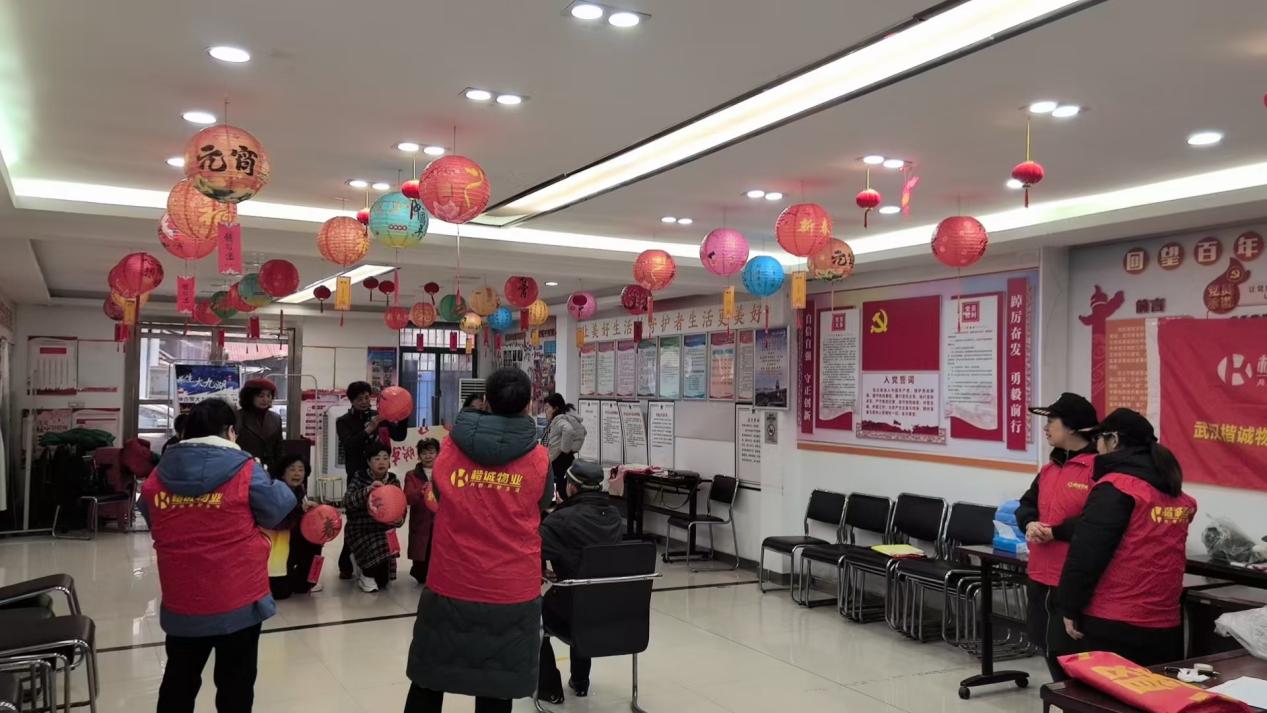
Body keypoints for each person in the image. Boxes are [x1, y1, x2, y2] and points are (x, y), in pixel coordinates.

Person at [404, 368, 553, 713]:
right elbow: (543, 503)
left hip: (451, 579)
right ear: (528, 405)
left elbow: (439, 493)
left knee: (429, 678)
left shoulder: (450, 449)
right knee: (496, 688)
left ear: (485, 401)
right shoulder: (539, 458)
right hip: (511, 587)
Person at [140, 398, 296, 713]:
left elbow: (151, 515)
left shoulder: (159, 474)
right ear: (229, 431)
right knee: (235, 686)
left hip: (183, 599)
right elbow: (277, 508)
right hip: (238, 599)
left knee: (179, 682)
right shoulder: (245, 468)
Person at [1050, 408, 1198, 678]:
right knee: (1151, 695)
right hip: (1164, 624)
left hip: (1113, 621)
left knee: (1100, 696)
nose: (1096, 447)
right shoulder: (1176, 494)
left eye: (1099, 440)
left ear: (1114, 440)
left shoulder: (1117, 488)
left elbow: (1087, 554)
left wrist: (1069, 605)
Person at [1013, 392, 1098, 678]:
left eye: (1052, 421)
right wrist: (1029, 523)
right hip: (1040, 574)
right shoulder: (1049, 470)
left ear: (1072, 427)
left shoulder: (1098, 469)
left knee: (1073, 657)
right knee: (1046, 646)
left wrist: (1055, 532)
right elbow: (1026, 504)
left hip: (1073, 579)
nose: (1046, 428)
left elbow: (1097, 522)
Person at [537, 460, 623, 703]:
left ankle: (549, 688)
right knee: (587, 594)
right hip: (613, 613)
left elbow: (535, 549)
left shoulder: (560, 520)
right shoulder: (615, 516)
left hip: (571, 612)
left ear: (572, 487)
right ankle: (580, 681)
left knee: (532, 614)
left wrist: (543, 568)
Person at [335, 381, 408, 578]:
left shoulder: (379, 416)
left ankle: (380, 559)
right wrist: (370, 428)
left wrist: (402, 414)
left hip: (380, 474)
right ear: (351, 401)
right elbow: (349, 445)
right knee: (356, 518)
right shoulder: (343, 421)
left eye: (367, 398)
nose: (364, 402)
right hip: (359, 474)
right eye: (359, 399)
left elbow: (399, 435)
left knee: (381, 516)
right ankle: (346, 562)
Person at [344, 445, 405, 593]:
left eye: (385, 458)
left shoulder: (393, 481)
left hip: (384, 528)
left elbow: (401, 506)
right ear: (369, 462)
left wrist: (399, 520)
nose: (381, 462)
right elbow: (347, 502)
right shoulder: (359, 477)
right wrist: (368, 490)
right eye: (377, 459)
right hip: (361, 528)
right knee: (374, 565)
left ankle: (365, 567)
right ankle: (366, 575)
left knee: (383, 581)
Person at [265, 454, 323, 600]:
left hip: (291, 541)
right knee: (280, 593)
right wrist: (300, 511)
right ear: (282, 473)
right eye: (292, 469)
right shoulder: (275, 491)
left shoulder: (300, 491)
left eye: (300, 469)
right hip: (275, 545)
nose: (297, 473)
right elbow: (277, 521)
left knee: (316, 541)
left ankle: (307, 581)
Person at [403, 438, 440, 584]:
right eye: (424, 453)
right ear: (419, 456)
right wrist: (421, 490)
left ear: (438, 454)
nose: (428, 456)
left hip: (440, 521)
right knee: (421, 569)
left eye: (431, 452)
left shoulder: (444, 472)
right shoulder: (411, 475)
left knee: (439, 551)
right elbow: (407, 497)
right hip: (421, 520)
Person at [543, 393, 587, 499]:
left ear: (555, 408)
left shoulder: (559, 420)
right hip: (563, 459)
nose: (545, 410)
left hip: (560, 461)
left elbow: (569, 430)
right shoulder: (563, 419)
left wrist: (565, 449)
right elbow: (583, 431)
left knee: (559, 493)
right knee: (561, 491)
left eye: (547, 407)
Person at [236, 379, 283, 469]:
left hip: (270, 469)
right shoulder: (237, 417)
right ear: (250, 396)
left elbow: (279, 448)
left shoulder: (276, 418)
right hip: (244, 468)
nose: (265, 399)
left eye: (268, 395)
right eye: (261, 396)